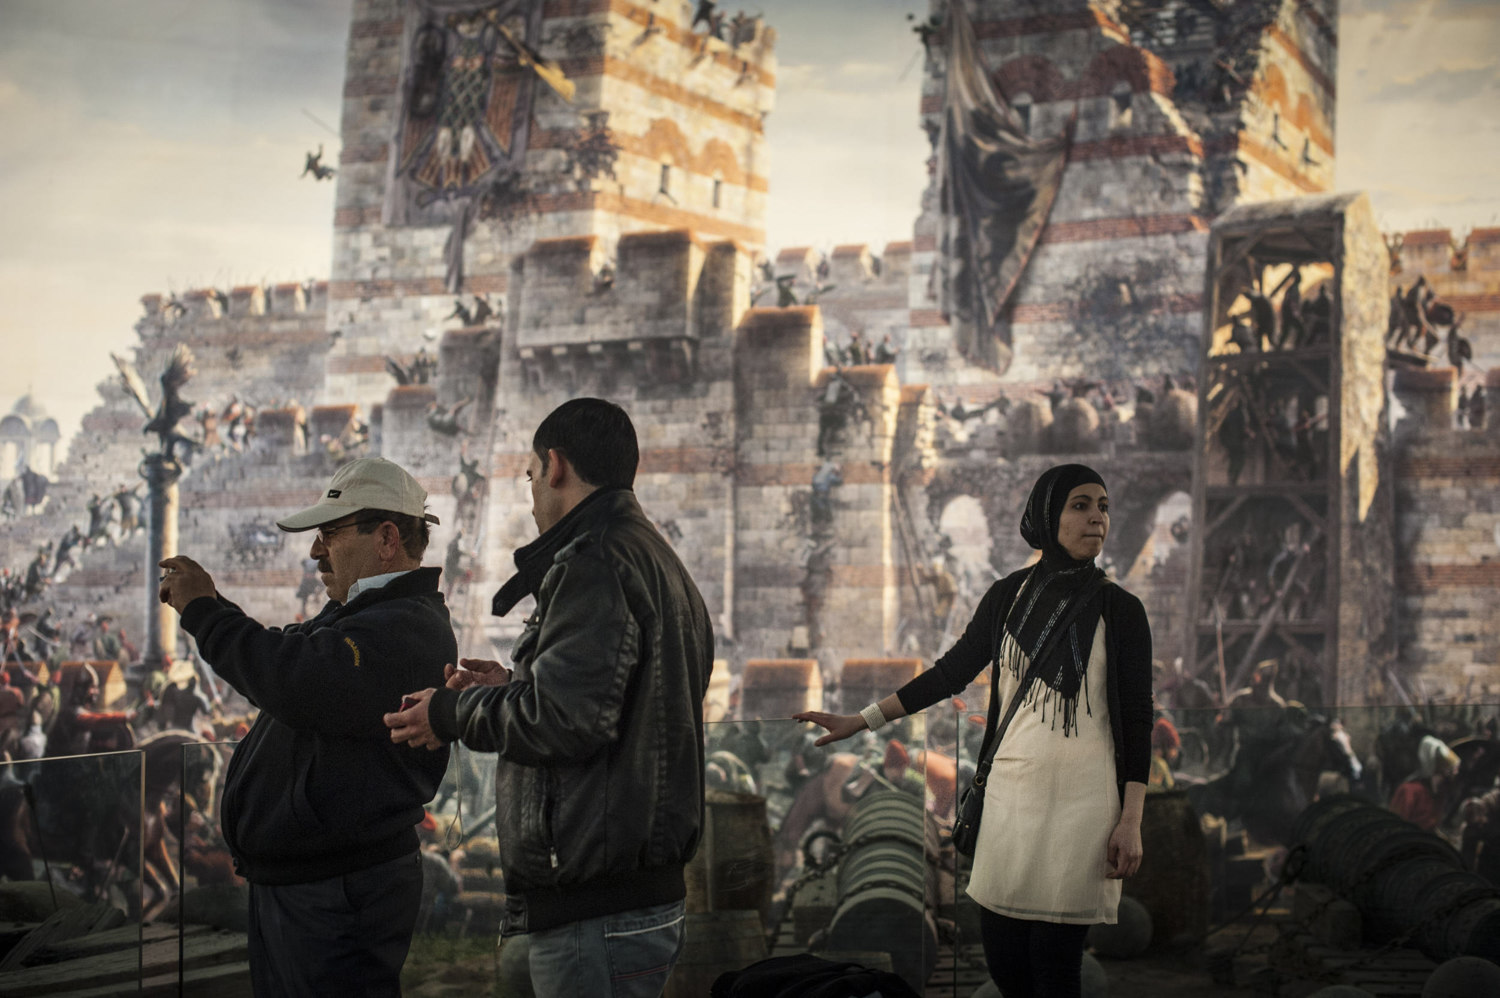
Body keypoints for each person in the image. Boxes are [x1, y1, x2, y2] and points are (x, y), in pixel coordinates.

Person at [385, 398, 715, 998]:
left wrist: (447, 711)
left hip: (597, 907)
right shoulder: (654, 558)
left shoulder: (594, 562)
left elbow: (564, 721)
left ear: (555, 465)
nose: (531, 492)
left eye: (531, 475)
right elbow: (607, 704)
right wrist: (511, 691)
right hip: (631, 896)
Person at [794, 464, 1153, 998]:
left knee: (1056, 972)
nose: (1096, 517)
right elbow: (949, 673)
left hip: (1084, 808)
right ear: (1047, 515)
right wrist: (862, 720)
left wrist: (1131, 820)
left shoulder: (1121, 611)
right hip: (1009, 800)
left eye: (1102, 505)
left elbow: (1137, 716)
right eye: (1080, 505)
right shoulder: (1007, 597)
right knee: (1006, 964)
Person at [157, 456, 455, 998]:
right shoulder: (363, 614)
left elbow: (296, 679)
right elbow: (293, 656)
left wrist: (205, 612)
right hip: (312, 888)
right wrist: (213, 604)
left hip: (336, 893)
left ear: (386, 538)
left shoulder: (405, 626)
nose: (317, 551)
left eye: (330, 534)